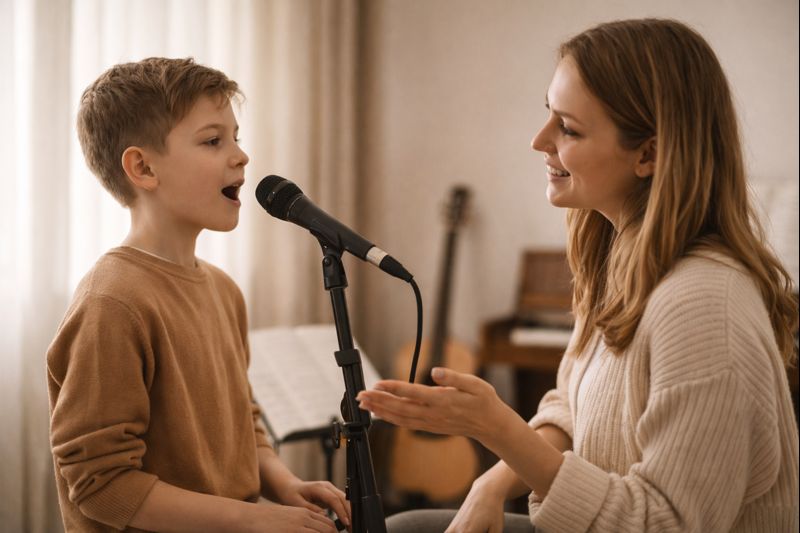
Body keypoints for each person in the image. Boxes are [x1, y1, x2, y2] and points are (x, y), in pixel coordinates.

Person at [357, 18, 799, 533]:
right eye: (549, 115)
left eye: (568, 127)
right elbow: (571, 406)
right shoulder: (622, 261)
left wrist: (496, 427)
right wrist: (491, 484)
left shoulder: (704, 305)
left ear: (649, 153)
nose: (538, 141)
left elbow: (665, 524)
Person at [47, 57, 350, 532]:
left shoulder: (224, 291)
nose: (240, 156)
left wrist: (281, 481)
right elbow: (101, 485)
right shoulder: (112, 303)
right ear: (143, 167)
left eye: (236, 138)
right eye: (213, 141)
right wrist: (251, 520)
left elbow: (241, 421)